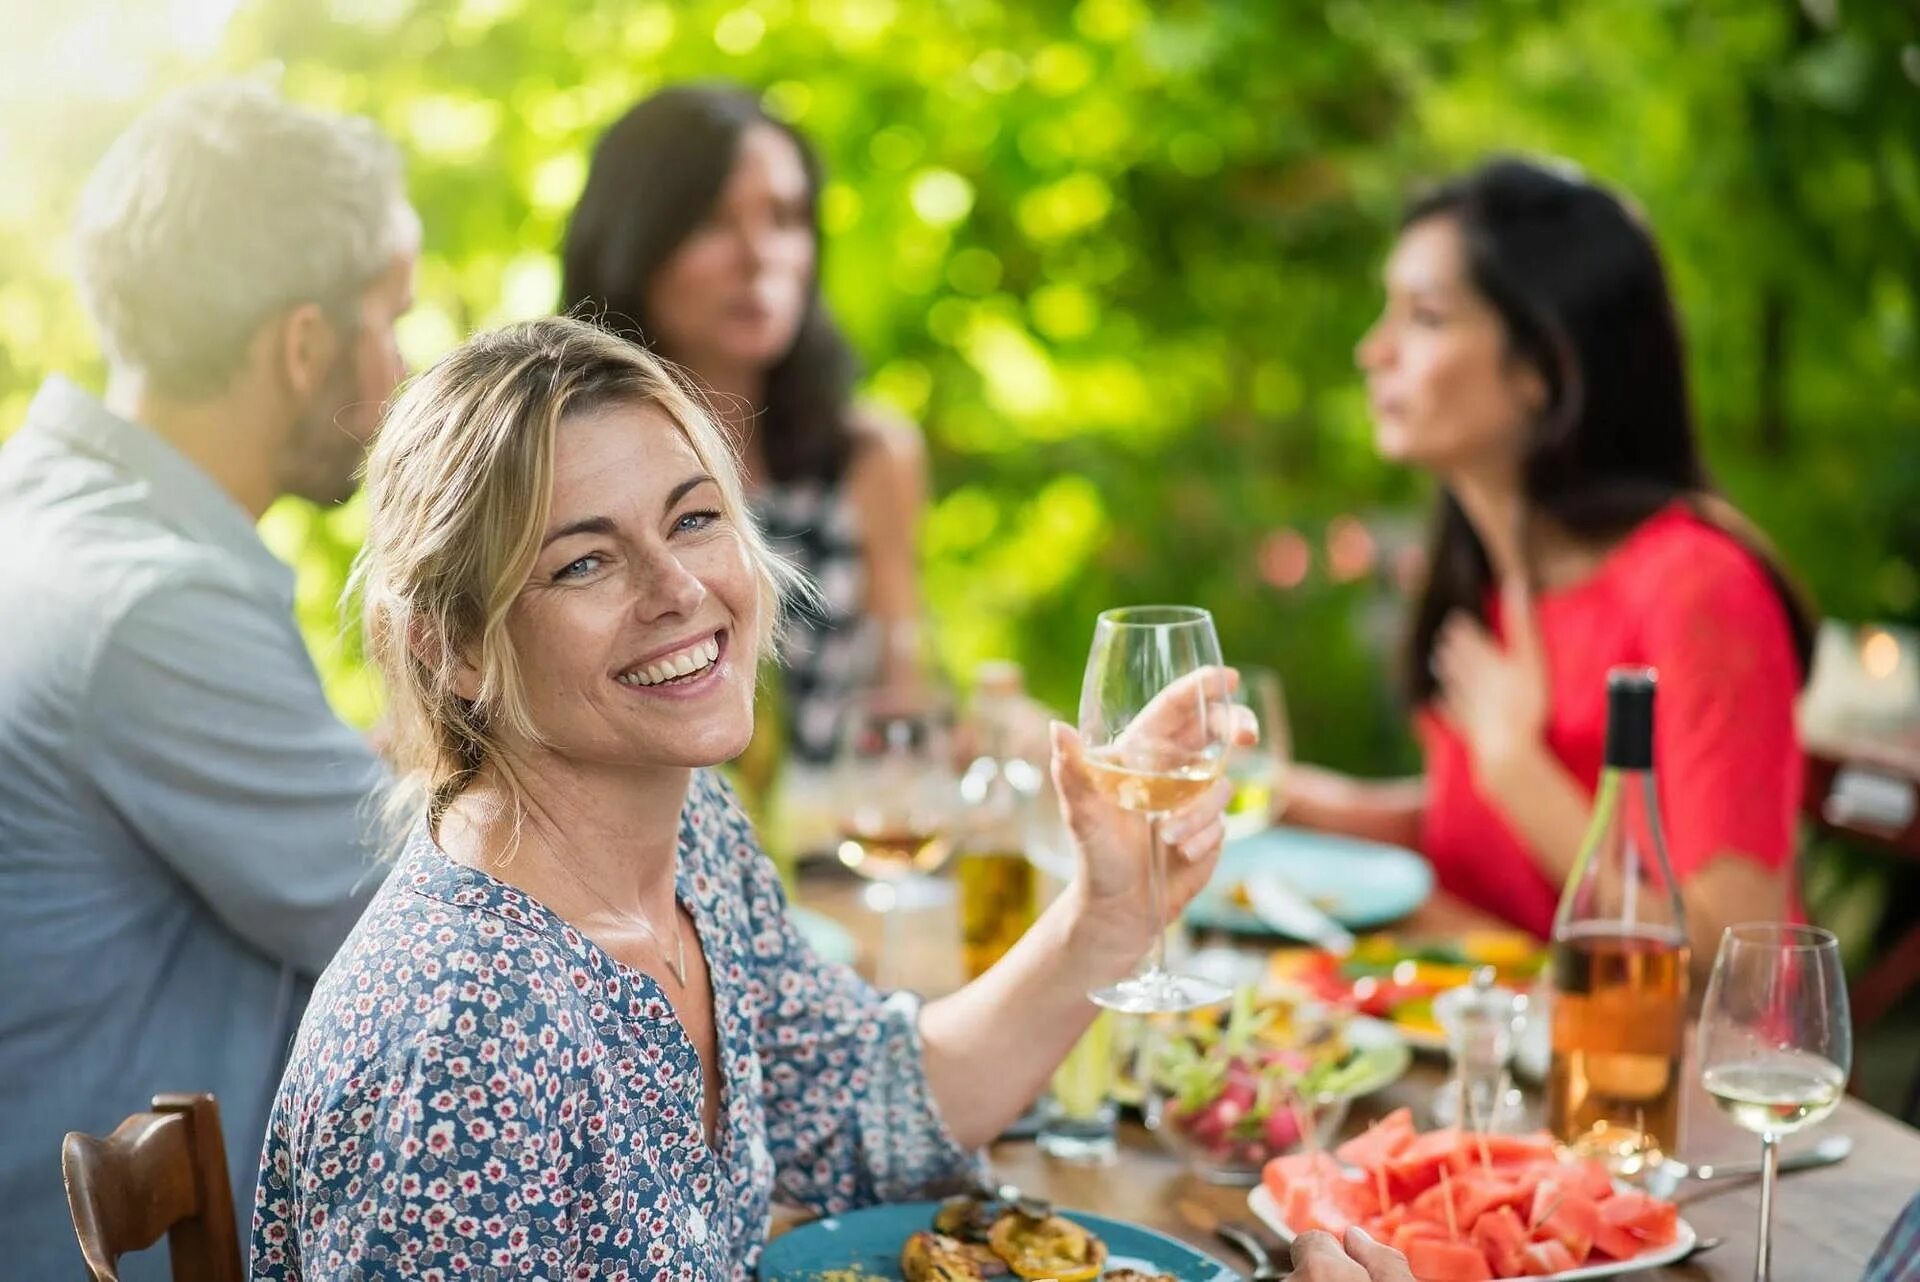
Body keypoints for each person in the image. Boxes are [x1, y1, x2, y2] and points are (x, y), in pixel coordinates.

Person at [250, 317, 1246, 1277]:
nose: (679, 586)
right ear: (453, 647)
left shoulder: (697, 832)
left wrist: (1108, 915)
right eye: (585, 561)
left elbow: (864, 1109)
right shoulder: (459, 1039)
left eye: (694, 518)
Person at [0, 82, 417, 1274]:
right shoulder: (151, 607)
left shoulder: (49, 519)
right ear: (300, 346)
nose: (402, 367)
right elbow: (446, 916)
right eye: (392, 319)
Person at [1285, 158, 1816, 970]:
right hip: (1501, 1036)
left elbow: (1733, 952)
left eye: (1424, 318)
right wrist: (1259, 794)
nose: (1373, 351)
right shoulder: (1497, 579)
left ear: (1541, 368)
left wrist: (1515, 767)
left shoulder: (1696, 586)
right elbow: (1469, 837)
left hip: (1660, 1079)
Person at [561, 84, 928, 766]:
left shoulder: (870, 457)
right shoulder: (560, 470)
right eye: (712, 223)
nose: (759, 256)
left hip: (842, 855)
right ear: (634, 243)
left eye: (786, 218)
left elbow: (906, 704)